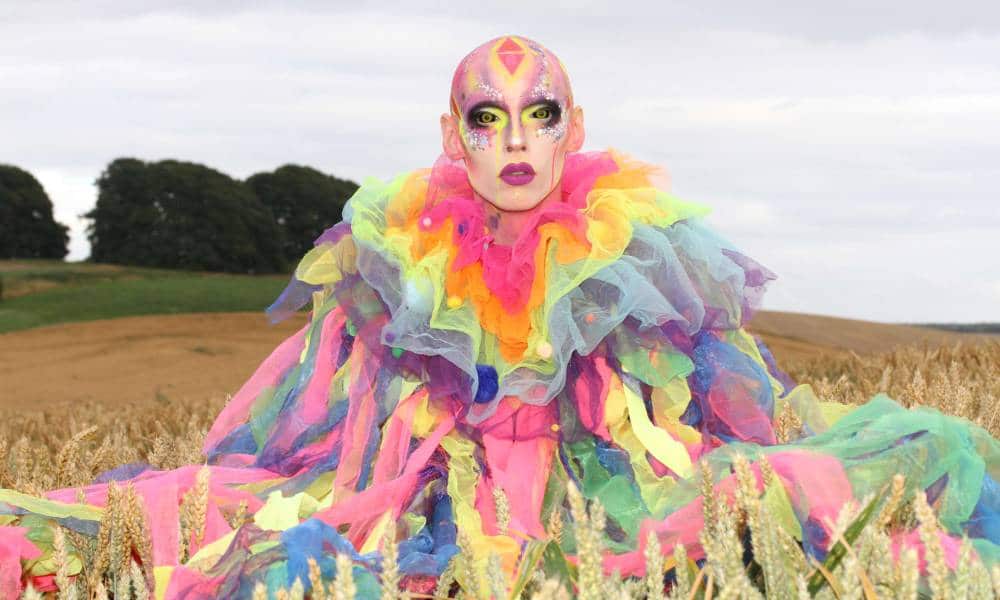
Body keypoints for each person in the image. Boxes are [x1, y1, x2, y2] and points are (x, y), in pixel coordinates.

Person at [2, 35, 998, 599]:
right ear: (451, 134)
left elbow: (705, 406)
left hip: (602, 488)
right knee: (217, 531)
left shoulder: (635, 255)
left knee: (778, 514)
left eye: (540, 113)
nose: (514, 138)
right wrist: (365, 490)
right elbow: (336, 417)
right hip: (422, 491)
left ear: (575, 131)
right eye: (487, 117)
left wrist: (711, 480)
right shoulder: (396, 259)